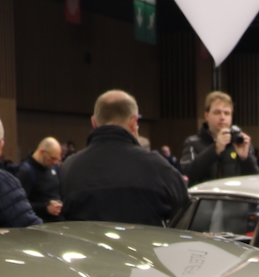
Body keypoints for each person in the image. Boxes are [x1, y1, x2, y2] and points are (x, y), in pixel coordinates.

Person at [59, 90, 188, 226]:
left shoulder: (69, 168)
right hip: (143, 240)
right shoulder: (158, 167)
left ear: (94, 122)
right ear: (134, 122)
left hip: (87, 240)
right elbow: (183, 211)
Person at [179, 91, 259, 185]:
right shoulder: (192, 143)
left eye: (227, 113)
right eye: (217, 112)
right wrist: (215, 149)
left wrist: (245, 159)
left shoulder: (241, 142)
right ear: (207, 116)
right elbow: (186, 174)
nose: (222, 117)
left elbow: (256, 181)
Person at [16, 137, 63, 222]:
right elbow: (20, 204)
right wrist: (45, 208)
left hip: (58, 220)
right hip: (39, 222)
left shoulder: (54, 168)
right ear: (42, 152)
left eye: (57, 159)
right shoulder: (26, 171)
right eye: (52, 158)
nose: (54, 162)